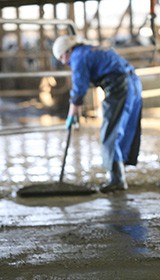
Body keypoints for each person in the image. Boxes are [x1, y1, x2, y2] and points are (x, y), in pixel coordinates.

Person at [52, 35, 143, 193]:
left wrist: (71, 114)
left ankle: (117, 180)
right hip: (133, 82)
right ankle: (119, 174)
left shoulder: (78, 57)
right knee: (125, 128)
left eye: (62, 56)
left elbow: (79, 89)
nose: (63, 61)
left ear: (69, 50)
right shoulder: (89, 50)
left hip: (118, 86)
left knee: (111, 131)